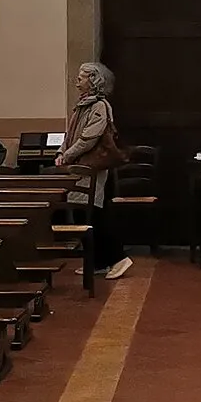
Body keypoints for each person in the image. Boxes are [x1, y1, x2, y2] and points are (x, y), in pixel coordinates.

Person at [56, 60, 131, 280]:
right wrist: (62, 151)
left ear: (93, 80)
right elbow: (70, 135)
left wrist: (67, 155)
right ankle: (98, 262)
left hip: (92, 168)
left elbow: (88, 138)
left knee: (96, 214)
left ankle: (119, 258)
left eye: (81, 78)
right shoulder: (82, 105)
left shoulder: (99, 106)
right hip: (78, 166)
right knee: (83, 212)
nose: (77, 82)